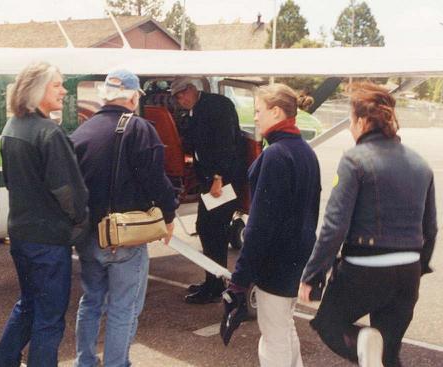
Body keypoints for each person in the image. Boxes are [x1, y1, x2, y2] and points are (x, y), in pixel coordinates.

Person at [299, 82, 438, 367]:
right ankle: (371, 352)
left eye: (351, 121)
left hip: (365, 270)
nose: (350, 128)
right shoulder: (421, 164)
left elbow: (334, 225)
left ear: (362, 121)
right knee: (387, 355)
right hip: (408, 272)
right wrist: (418, 267)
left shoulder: (354, 160)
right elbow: (431, 228)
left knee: (329, 324)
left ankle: (363, 345)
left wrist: (312, 275)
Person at [70, 69, 178, 367]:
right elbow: (157, 181)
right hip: (125, 237)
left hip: (89, 236)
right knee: (123, 307)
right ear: (133, 97)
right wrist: (168, 215)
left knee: (90, 302)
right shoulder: (140, 129)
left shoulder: (81, 132)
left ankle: (85, 362)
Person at [0, 61, 89, 367]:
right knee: (49, 318)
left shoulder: (11, 128)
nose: (63, 90)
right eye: (57, 84)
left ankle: (2, 362)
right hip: (48, 241)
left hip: (21, 234)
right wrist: (80, 221)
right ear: (37, 90)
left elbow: (11, 180)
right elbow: (68, 192)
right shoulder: (49, 132)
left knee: (29, 305)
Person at [223, 84, 321, 366]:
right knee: (285, 329)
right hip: (299, 258)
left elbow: (260, 225)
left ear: (276, 112)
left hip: (276, 263)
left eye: (258, 111)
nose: (255, 117)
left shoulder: (275, 155)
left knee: (273, 337)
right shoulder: (306, 152)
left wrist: (240, 277)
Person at [169, 77, 245, 304]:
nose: (180, 99)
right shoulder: (196, 111)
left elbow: (226, 144)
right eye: (177, 97)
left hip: (222, 180)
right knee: (208, 228)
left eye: (182, 94)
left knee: (212, 229)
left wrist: (218, 178)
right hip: (211, 179)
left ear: (192, 89)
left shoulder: (217, 106)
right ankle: (213, 280)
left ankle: (216, 284)